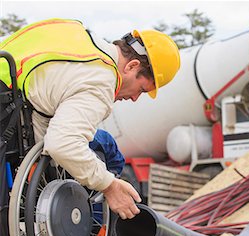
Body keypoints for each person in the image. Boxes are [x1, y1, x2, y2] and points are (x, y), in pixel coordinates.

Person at [0, 18, 181, 220]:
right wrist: (109, 186)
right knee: (106, 146)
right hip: (11, 123)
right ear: (132, 66)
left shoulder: (74, 33)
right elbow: (63, 143)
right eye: (141, 89)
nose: (134, 98)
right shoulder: (101, 79)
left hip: (11, 115)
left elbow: (39, 102)